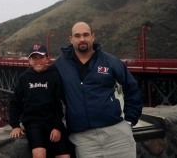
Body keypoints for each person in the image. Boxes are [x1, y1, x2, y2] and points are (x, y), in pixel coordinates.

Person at [52, 22, 143, 158]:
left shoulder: (110, 61)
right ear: (71, 39)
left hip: (117, 134)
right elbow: (50, 96)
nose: (82, 39)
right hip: (83, 138)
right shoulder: (59, 65)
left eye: (86, 35)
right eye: (77, 36)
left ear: (93, 37)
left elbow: (132, 88)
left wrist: (129, 121)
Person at [9, 44, 71, 158]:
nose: (38, 61)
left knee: (65, 156)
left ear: (47, 58)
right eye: (34, 58)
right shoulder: (24, 78)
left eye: (41, 57)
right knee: (39, 155)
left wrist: (57, 127)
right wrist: (15, 125)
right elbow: (15, 103)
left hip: (53, 122)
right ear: (29, 60)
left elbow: (59, 104)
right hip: (33, 123)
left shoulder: (54, 76)